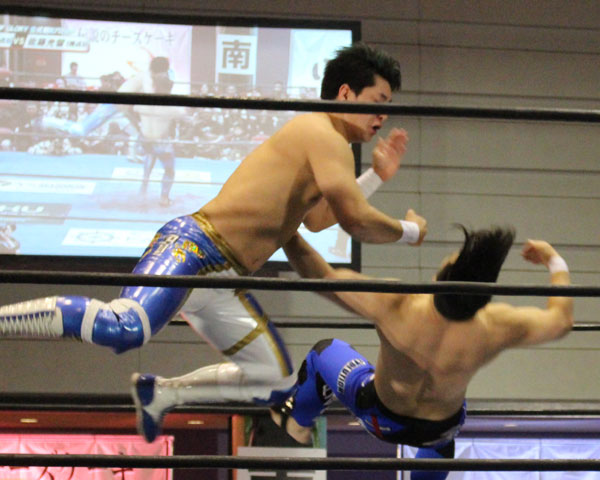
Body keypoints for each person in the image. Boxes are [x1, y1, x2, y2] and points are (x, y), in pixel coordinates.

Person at [0, 42, 426, 418]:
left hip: (224, 277)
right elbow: (353, 218)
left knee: (273, 381)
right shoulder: (322, 133)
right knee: (125, 327)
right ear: (346, 93)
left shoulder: (329, 145)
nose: (382, 115)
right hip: (194, 248)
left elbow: (317, 219)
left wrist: (376, 176)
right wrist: (410, 231)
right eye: (378, 101)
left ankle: (162, 393)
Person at [135, 74, 187, 207]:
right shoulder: (171, 105)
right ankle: (164, 198)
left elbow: (134, 110)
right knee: (169, 170)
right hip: (161, 141)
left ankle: (143, 189)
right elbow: (183, 116)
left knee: (150, 155)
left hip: (146, 137)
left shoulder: (147, 100)